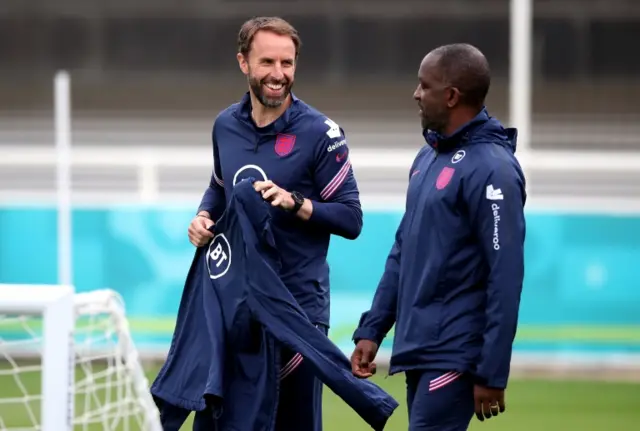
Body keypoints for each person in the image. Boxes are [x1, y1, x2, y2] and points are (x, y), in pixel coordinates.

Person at [185, 16, 363, 431]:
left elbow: (352, 219)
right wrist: (203, 216)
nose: (279, 74)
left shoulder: (322, 133)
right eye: (267, 62)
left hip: (296, 311)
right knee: (221, 421)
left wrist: (296, 203)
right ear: (243, 63)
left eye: (288, 63)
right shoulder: (225, 125)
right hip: (236, 306)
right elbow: (218, 187)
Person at [350, 43, 527, 430]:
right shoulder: (427, 159)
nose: (416, 94)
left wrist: (492, 372)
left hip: (455, 353)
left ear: (451, 96)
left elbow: (506, 275)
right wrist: (373, 327)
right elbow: (403, 250)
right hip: (422, 348)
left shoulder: (493, 170)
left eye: (423, 85)